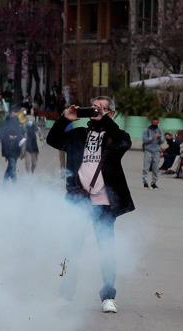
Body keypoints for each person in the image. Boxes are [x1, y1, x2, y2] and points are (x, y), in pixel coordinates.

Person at [46, 96, 134, 313]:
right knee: (72, 248)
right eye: (95, 108)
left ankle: (108, 296)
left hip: (104, 202)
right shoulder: (78, 135)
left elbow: (125, 142)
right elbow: (53, 139)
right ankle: (66, 293)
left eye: (104, 109)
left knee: (106, 249)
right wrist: (65, 119)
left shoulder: (115, 138)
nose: (98, 112)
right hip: (79, 199)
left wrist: (105, 121)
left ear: (111, 114)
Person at [0, 109, 25, 182]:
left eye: (16, 112)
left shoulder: (18, 124)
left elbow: (22, 135)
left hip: (16, 149)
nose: (15, 114)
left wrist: (16, 137)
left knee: (11, 167)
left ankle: (4, 183)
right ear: (10, 113)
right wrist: (8, 136)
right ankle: (14, 184)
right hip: (8, 148)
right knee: (12, 166)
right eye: (14, 112)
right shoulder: (6, 123)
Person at [142, 118, 164, 189]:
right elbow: (144, 140)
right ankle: (145, 182)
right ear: (151, 122)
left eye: (156, 123)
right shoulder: (146, 130)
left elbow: (162, 141)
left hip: (156, 151)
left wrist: (159, 138)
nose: (155, 124)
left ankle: (153, 183)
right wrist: (152, 137)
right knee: (146, 167)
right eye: (153, 123)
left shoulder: (160, 130)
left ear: (158, 123)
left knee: (155, 168)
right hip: (148, 150)